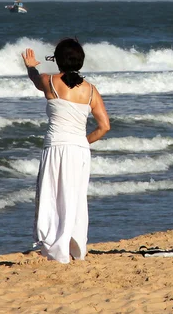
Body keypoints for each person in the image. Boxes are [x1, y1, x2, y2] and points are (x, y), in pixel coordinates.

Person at [22, 38, 110, 263]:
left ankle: (56, 248)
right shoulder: (91, 90)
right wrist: (83, 141)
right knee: (75, 196)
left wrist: (31, 65)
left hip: (56, 146)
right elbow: (104, 127)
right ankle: (76, 246)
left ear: (58, 60)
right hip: (79, 150)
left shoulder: (49, 81)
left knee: (53, 195)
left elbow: (35, 78)